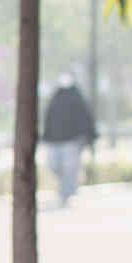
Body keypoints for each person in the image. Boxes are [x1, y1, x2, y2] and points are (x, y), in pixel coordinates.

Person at [40, 71, 96, 206]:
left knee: (69, 168)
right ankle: (66, 188)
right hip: (55, 141)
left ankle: (66, 193)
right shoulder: (55, 99)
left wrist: (86, 138)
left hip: (72, 141)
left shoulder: (78, 99)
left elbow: (85, 119)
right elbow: (48, 120)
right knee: (54, 165)